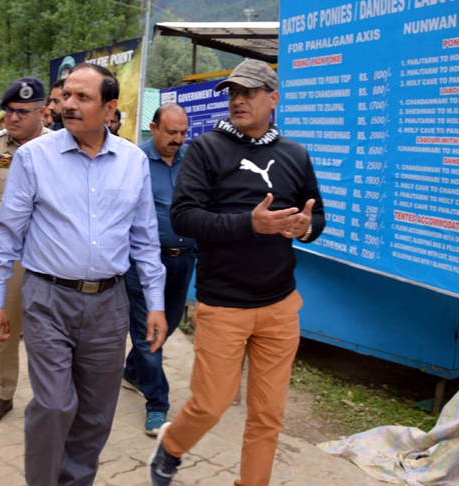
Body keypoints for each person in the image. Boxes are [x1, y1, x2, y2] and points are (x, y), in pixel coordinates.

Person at [0, 63, 168, 485]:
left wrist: (155, 304)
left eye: (82, 97)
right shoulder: (33, 158)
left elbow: (144, 241)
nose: (68, 104)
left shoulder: (132, 162)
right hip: (48, 299)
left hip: (110, 305)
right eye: (65, 95)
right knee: (52, 405)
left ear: (110, 108)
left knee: (96, 413)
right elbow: (5, 235)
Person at [147, 59, 326, 486]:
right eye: (232, 93)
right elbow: (185, 216)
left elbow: (317, 217)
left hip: (280, 305)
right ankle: (172, 446)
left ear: (273, 98)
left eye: (248, 92)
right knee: (211, 403)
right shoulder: (206, 150)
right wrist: (251, 223)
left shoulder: (295, 155)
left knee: (267, 417)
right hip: (223, 304)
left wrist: (306, 227)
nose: (238, 100)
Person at [0, 77, 51, 425]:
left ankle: (50, 399)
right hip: (11, 258)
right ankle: (3, 394)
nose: (12, 119)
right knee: (5, 327)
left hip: (50, 256)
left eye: (21, 112)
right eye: (8, 112)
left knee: (48, 333)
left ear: (42, 112)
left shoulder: (60, 146)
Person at [121, 103, 194, 436]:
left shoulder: (191, 161)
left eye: (183, 133)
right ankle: (157, 404)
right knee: (150, 331)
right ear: (154, 128)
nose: (178, 140)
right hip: (145, 261)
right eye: (171, 133)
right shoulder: (133, 160)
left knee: (171, 322)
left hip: (183, 258)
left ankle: (132, 371)